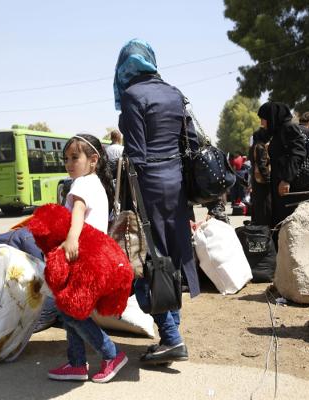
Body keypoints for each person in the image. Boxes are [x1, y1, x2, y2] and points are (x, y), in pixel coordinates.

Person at [114, 39, 200, 365]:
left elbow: (136, 154)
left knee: (147, 258)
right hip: (177, 184)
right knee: (173, 259)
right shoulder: (174, 92)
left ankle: (172, 338)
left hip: (149, 185)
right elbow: (191, 140)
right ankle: (171, 333)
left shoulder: (132, 96)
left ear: (124, 67)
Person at [47, 134, 127, 383]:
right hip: (94, 260)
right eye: (66, 159)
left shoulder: (81, 185)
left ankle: (110, 354)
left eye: (75, 158)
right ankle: (76, 363)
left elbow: (78, 214)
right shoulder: (97, 184)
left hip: (84, 259)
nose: (69, 164)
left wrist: (71, 239)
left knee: (72, 313)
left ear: (93, 160)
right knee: (69, 308)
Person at [257, 102, 307, 239]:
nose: (262, 122)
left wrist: (286, 180)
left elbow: (298, 153)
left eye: (263, 118)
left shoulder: (289, 128)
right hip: (279, 183)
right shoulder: (279, 130)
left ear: (272, 116)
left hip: (288, 185)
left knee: (288, 220)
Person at [248, 128, 272, 226]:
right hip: (262, 183)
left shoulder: (253, 147)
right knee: (264, 208)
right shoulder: (260, 147)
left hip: (256, 181)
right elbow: (262, 165)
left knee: (258, 208)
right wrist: (268, 179)